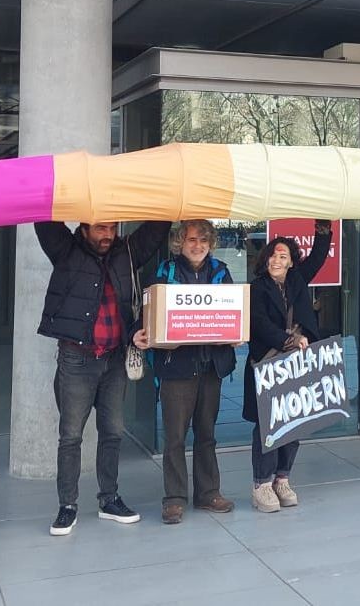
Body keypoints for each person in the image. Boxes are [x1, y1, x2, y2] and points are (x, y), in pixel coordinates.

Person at [35, 218, 171, 536]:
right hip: (77, 360)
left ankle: (109, 499)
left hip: (113, 359)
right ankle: (67, 507)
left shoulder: (127, 251)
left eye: (111, 228)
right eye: (100, 228)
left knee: (113, 433)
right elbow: (43, 221)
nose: (107, 235)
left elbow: (156, 229)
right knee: (70, 437)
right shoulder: (66, 251)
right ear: (84, 229)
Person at [151, 219, 239, 524]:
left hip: (210, 365)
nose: (197, 245)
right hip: (177, 366)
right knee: (175, 436)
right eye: (191, 239)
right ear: (179, 242)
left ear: (211, 242)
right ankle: (174, 498)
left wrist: (236, 332)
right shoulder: (167, 271)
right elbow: (152, 313)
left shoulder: (221, 271)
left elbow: (232, 312)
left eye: (203, 239)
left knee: (207, 434)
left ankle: (208, 493)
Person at [243, 223, 331, 511]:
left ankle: (283, 479)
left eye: (283, 256)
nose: (276, 260)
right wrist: (290, 340)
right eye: (273, 255)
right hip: (267, 362)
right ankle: (262, 485)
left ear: (292, 262)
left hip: (297, 365)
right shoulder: (257, 288)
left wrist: (323, 228)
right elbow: (260, 324)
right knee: (267, 426)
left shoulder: (297, 282)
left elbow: (318, 256)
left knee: (293, 423)